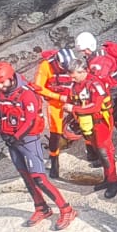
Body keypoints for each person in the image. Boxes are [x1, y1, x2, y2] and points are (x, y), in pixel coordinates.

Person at [0, 61, 76, 231]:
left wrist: (16, 136)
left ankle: (66, 209)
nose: (0, 86)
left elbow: (30, 120)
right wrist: (2, 133)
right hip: (12, 141)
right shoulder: (1, 95)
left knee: (39, 178)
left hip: (28, 141)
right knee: (26, 176)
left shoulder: (26, 94)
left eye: (2, 82)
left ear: (11, 78)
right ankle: (41, 208)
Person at [61, 61, 117, 198]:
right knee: (98, 150)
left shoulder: (95, 84)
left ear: (82, 72)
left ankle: (114, 182)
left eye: (74, 76)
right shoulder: (75, 85)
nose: (72, 79)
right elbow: (73, 98)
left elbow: (95, 106)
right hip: (86, 122)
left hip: (100, 122)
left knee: (104, 151)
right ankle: (107, 179)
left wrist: (74, 109)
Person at [76, 32, 117, 156]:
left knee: (112, 119)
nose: (84, 53)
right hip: (114, 89)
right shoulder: (100, 55)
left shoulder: (99, 62)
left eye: (84, 50)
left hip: (111, 92)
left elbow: (98, 80)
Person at [33, 47, 77, 179]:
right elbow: (38, 87)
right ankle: (54, 162)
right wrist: (58, 97)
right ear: (57, 62)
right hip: (55, 101)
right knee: (55, 132)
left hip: (73, 98)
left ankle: (91, 152)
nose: (66, 70)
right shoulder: (46, 66)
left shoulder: (73, 63)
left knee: (85, 124)